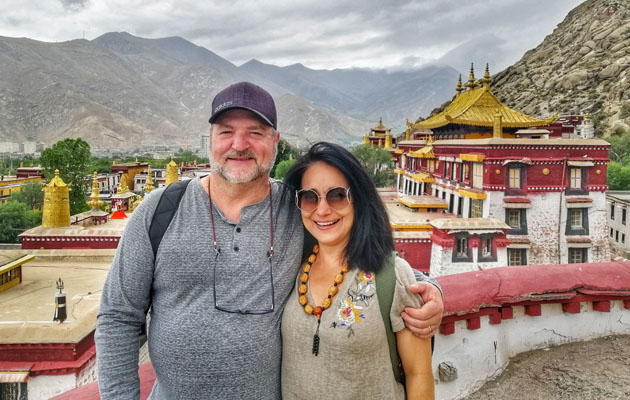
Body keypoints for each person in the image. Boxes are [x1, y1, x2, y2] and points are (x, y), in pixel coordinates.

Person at [95, 82, 443, 399]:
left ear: (275, 142)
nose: (239, 145)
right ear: (211, 139)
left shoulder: (298, 209)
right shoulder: (161, 210)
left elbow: (361, 260)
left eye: (255, 132)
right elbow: (118, 317)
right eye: (226, 131)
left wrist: (431, 290)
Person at [280, 142, 434, 399]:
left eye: (337, 195)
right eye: (309, 197)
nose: (322, 210)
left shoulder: (391, 276)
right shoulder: (292, 267)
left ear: (359, 199)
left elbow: (418, 374)